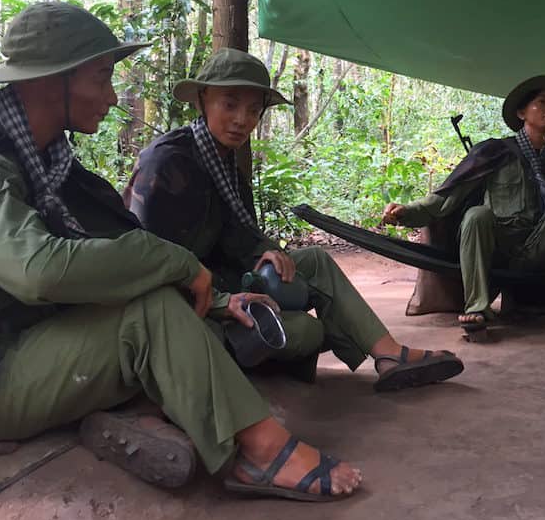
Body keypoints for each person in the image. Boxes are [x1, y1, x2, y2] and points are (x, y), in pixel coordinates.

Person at [0, 2, 362, 501]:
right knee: (153, 313)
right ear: (46, 81)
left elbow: (107, 247)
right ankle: (260, 452)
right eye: (101, 78)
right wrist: (178, 263)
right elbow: (38, 271)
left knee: (280, 326)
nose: (112, 95)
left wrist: (226, 296)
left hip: (37, 341)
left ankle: (135, 416)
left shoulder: (50, 161)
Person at [124, 48, 464, 391]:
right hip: (183, 307)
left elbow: (237, 236)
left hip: (223, 280)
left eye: (254, 109)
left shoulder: (227, 167)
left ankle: (389, 355)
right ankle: (236, 355)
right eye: (229, 104)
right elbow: (147, 267)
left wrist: (265, 251)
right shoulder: (166, 162)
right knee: (305, 332)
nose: (242, 119)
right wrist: (225, 303)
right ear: (202, 99)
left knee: (312, 274)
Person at [383, 75, 545, 339]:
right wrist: (406, 212)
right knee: (476, 214)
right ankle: (477, 309)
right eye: (542, 102)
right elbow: (446, 197)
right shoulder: (493, 152)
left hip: (541, 252)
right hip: (497, 249)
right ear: (521, 112)